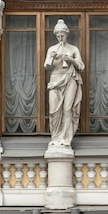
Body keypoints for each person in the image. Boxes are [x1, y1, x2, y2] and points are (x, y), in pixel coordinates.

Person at [44, 19, 85, 147]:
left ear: (67, 34)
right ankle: (55, 137)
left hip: (70, 79)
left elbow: (81, 66)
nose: (60, 37)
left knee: (68, 109)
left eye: (62, 35)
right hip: (55, 80)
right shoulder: (52, 49)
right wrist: (52, 57)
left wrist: (71, 60)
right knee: (54, 111)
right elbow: (46, 66)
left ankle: (66, 138)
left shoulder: (73, 49)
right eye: (58, 35)